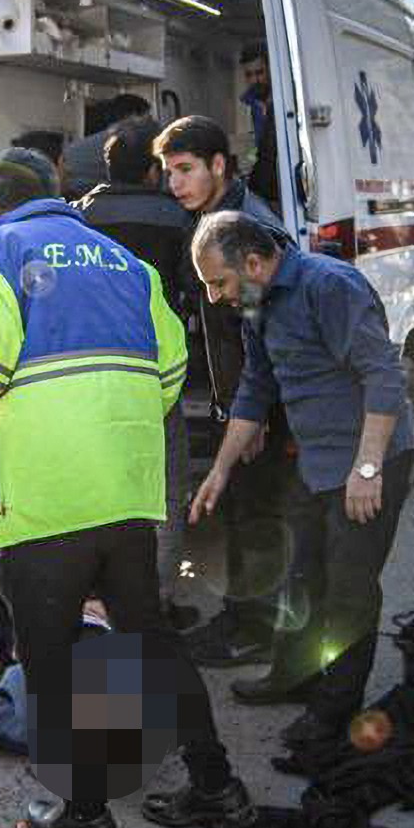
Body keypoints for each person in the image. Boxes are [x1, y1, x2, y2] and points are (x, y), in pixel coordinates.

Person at [0, 147, 245, 828]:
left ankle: (83, 812)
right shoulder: (121, 261)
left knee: (46, 658)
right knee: (151, 641)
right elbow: (171, 370)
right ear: (59, 195)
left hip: (46, 493)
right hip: (126, 487)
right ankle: (216, 784)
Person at [191, 206, 414, 753]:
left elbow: (384, 376)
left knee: (348, 592)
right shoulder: (255, 300)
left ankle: (334, 710)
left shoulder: (328, 286)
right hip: (317, 462)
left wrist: (367, 468)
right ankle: (291, 677)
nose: (215, 297)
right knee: (299, 574)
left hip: (370, 460)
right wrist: (220, 470)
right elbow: (256, 385)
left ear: (253, 262)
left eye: (218, 282)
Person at [154, 113, 297, 670]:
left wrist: (253, 414)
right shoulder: (215, 216)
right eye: (169, 173)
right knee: (241, 510)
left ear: (219, 165)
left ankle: (256, 630)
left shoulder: (244, 228)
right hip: (235, 397)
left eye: (186, 170)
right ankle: (244, 618)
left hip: (256, 402)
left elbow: (264, 332)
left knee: (257, 514)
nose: (175, 184)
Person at [80, 114, 203, 610]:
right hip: (153, 375)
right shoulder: (176, 219)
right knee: (166, 490)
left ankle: (99, 596)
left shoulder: (77, 216)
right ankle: (159, 600)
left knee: (99, 487)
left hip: (87, 376)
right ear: (153, 171)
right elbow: (198, 292)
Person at [60, 91, 150, 200]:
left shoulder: (72, 149)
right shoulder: (135, 148)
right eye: (146, 117)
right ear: (131, 116)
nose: (149, 122)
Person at [236, 43, 278, 206]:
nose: (254, 79)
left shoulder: (286, 101)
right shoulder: (246, 105)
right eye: (249, 74)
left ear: (269, 68)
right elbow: (250, 147)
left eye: (259, 72)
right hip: (260, 186)